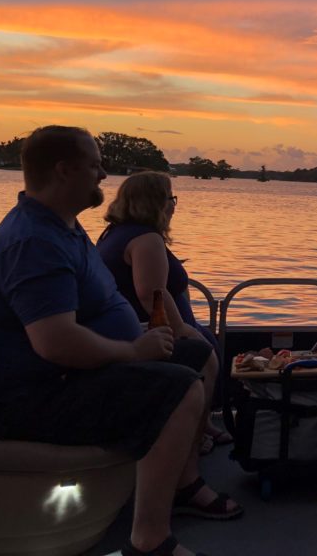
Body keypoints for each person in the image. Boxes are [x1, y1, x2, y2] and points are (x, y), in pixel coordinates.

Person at [0, 126, 240, 556]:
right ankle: (149, 540)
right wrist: (133, 351)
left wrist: (138, 340)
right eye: (95, 164)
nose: (103, 174)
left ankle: (184, 484)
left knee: (194, 352)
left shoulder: (65, 229)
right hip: (33, 398)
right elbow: (54, 342)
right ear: (63, 170)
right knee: (176, 386)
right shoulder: (33, 241)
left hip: (67, 378)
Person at [97, 171, 232, 455]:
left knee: (207, 340)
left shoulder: (117, 234)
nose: (174, 205)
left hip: (142, 327)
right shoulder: (145, 239)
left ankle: (203, 424)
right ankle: (192, 444)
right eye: (171, 198)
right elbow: (151, 293)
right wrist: (181, 329)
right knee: (202, 352)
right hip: (151, 331)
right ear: (155, 202)